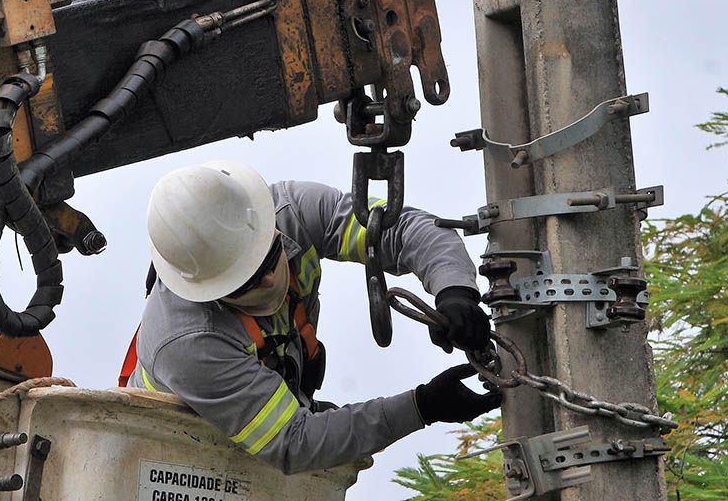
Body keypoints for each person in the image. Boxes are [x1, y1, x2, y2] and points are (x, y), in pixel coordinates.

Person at [119, 160, 501, 474]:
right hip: (170, 471)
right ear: (207, 289)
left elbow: (401, 228)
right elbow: (294, 440)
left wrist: (454, 291)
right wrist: (422, 406)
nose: (269, 279)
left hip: (254, 454)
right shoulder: (188, 342)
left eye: (269, 257)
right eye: (246, 281)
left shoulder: (290, 211)